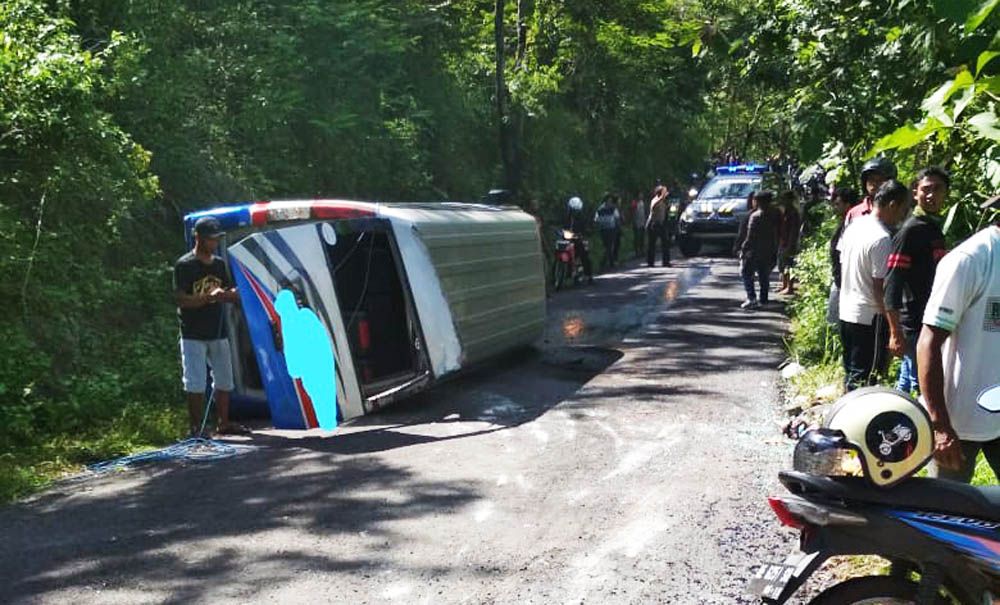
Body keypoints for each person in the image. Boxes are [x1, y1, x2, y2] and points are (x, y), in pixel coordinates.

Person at [918, 194, 1000, 482]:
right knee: (944, 513)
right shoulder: (971, 259)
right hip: (958, 422)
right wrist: (939, 426)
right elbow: (928, 342)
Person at [173, 217, 247, 436]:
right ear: (199, 238)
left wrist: (226, 295)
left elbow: (234, 292)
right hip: (192, 333)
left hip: (218, 330)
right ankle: (196, 427)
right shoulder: (185, 265)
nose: (214, 243)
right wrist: (207, 298)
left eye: (216, 239)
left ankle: (223, 423)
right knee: (194, 381)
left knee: (224, 378)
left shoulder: (219, 264)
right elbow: (181, 299)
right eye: (210, 239)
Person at [838, 180, 911, 391]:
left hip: (847, 311)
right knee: (868, 379)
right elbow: (880, 287)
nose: (903, 216)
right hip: (870, 317)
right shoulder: (882, 239)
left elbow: (842, 263)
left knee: (852, 372)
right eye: (904, 209)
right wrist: (894, 328)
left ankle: (845, 416)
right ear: (892, 205)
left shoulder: (854, 226)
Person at [884, 166, 950, 395]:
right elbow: (892, 284)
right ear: (915, 193)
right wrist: (895, 332)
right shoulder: (910, 231)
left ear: (945, 193)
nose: (931, 195)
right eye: (926, 189)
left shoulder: (933, 228)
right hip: (914, 323)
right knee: (921, 385)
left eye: (938, 189)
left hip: (929, 317)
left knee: (906, 382)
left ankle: (892, 422)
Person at [737, 190, 780, 310]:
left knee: (746, 273)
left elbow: (750, 236)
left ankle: (751, 298)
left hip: (754, 250)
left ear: (758, 201)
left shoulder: (755, 216)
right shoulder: (775, 213)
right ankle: (764, 298)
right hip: (770, 248)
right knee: (764, 274)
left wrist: (743, 249)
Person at [826, 187, 858, 325]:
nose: (835, 207)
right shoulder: (844, 223)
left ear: (848, 205)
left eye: (838, 204)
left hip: (845, 281)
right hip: (839, 279)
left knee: (837, 321)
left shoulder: (854, 225)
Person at [844, 157, 897, 225]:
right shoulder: (855, 213)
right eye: (871, 179)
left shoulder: (898, 209)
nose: (874, 183)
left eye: (880, 180)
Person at [564, 196, 594, 284]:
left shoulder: (582, 218)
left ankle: (589, 275)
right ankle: (561, 274)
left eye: (575, 210)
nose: (574, 212)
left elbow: (586, 227)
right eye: (572, 210)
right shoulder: (567, 217)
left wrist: (582, 233)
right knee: (560, 251)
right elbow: (563, 226)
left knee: (584, 255)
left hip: (578, 239)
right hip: (568, 239)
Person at [777, 191, 801, 295]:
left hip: (789, 242)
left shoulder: (793, 213)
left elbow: (794, 230)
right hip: (783, 241)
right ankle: (784, 284)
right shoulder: (785, 211)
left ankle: (789, 287)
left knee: (789, 264)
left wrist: (791, 244)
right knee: (782, 264)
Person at [594, 193, 622, 269]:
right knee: (607, 246)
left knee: (609, 246)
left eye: (610, 200)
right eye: (608, 200)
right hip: (604, 229)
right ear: (605, 200)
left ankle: (608, 263)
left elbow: (617, 218)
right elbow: (596, 219)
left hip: (611, 229)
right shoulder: (600, 209)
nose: (609, 202)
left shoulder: (612, 208)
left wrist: (618, 227)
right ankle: (607, 263)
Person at [646, 185, 671, 267]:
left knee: (665, 243)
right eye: (664, 192)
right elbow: (653, 207)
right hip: (653, 224)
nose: (667, 193)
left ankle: (666, 262)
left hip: (661, 224)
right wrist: (661, 197)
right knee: (652, 244)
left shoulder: (664, 202)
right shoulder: (655, 200)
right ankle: (650, 262)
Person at [631, 191, 646, 258]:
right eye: (640, 195)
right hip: (636, 222)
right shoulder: (634, 202)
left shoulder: (642, 202)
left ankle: (641, 250)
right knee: (637, 237)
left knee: (642, 237)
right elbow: (633, 212)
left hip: (642, 221)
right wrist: (634, 221)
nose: (641, 196)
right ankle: (637, 251)